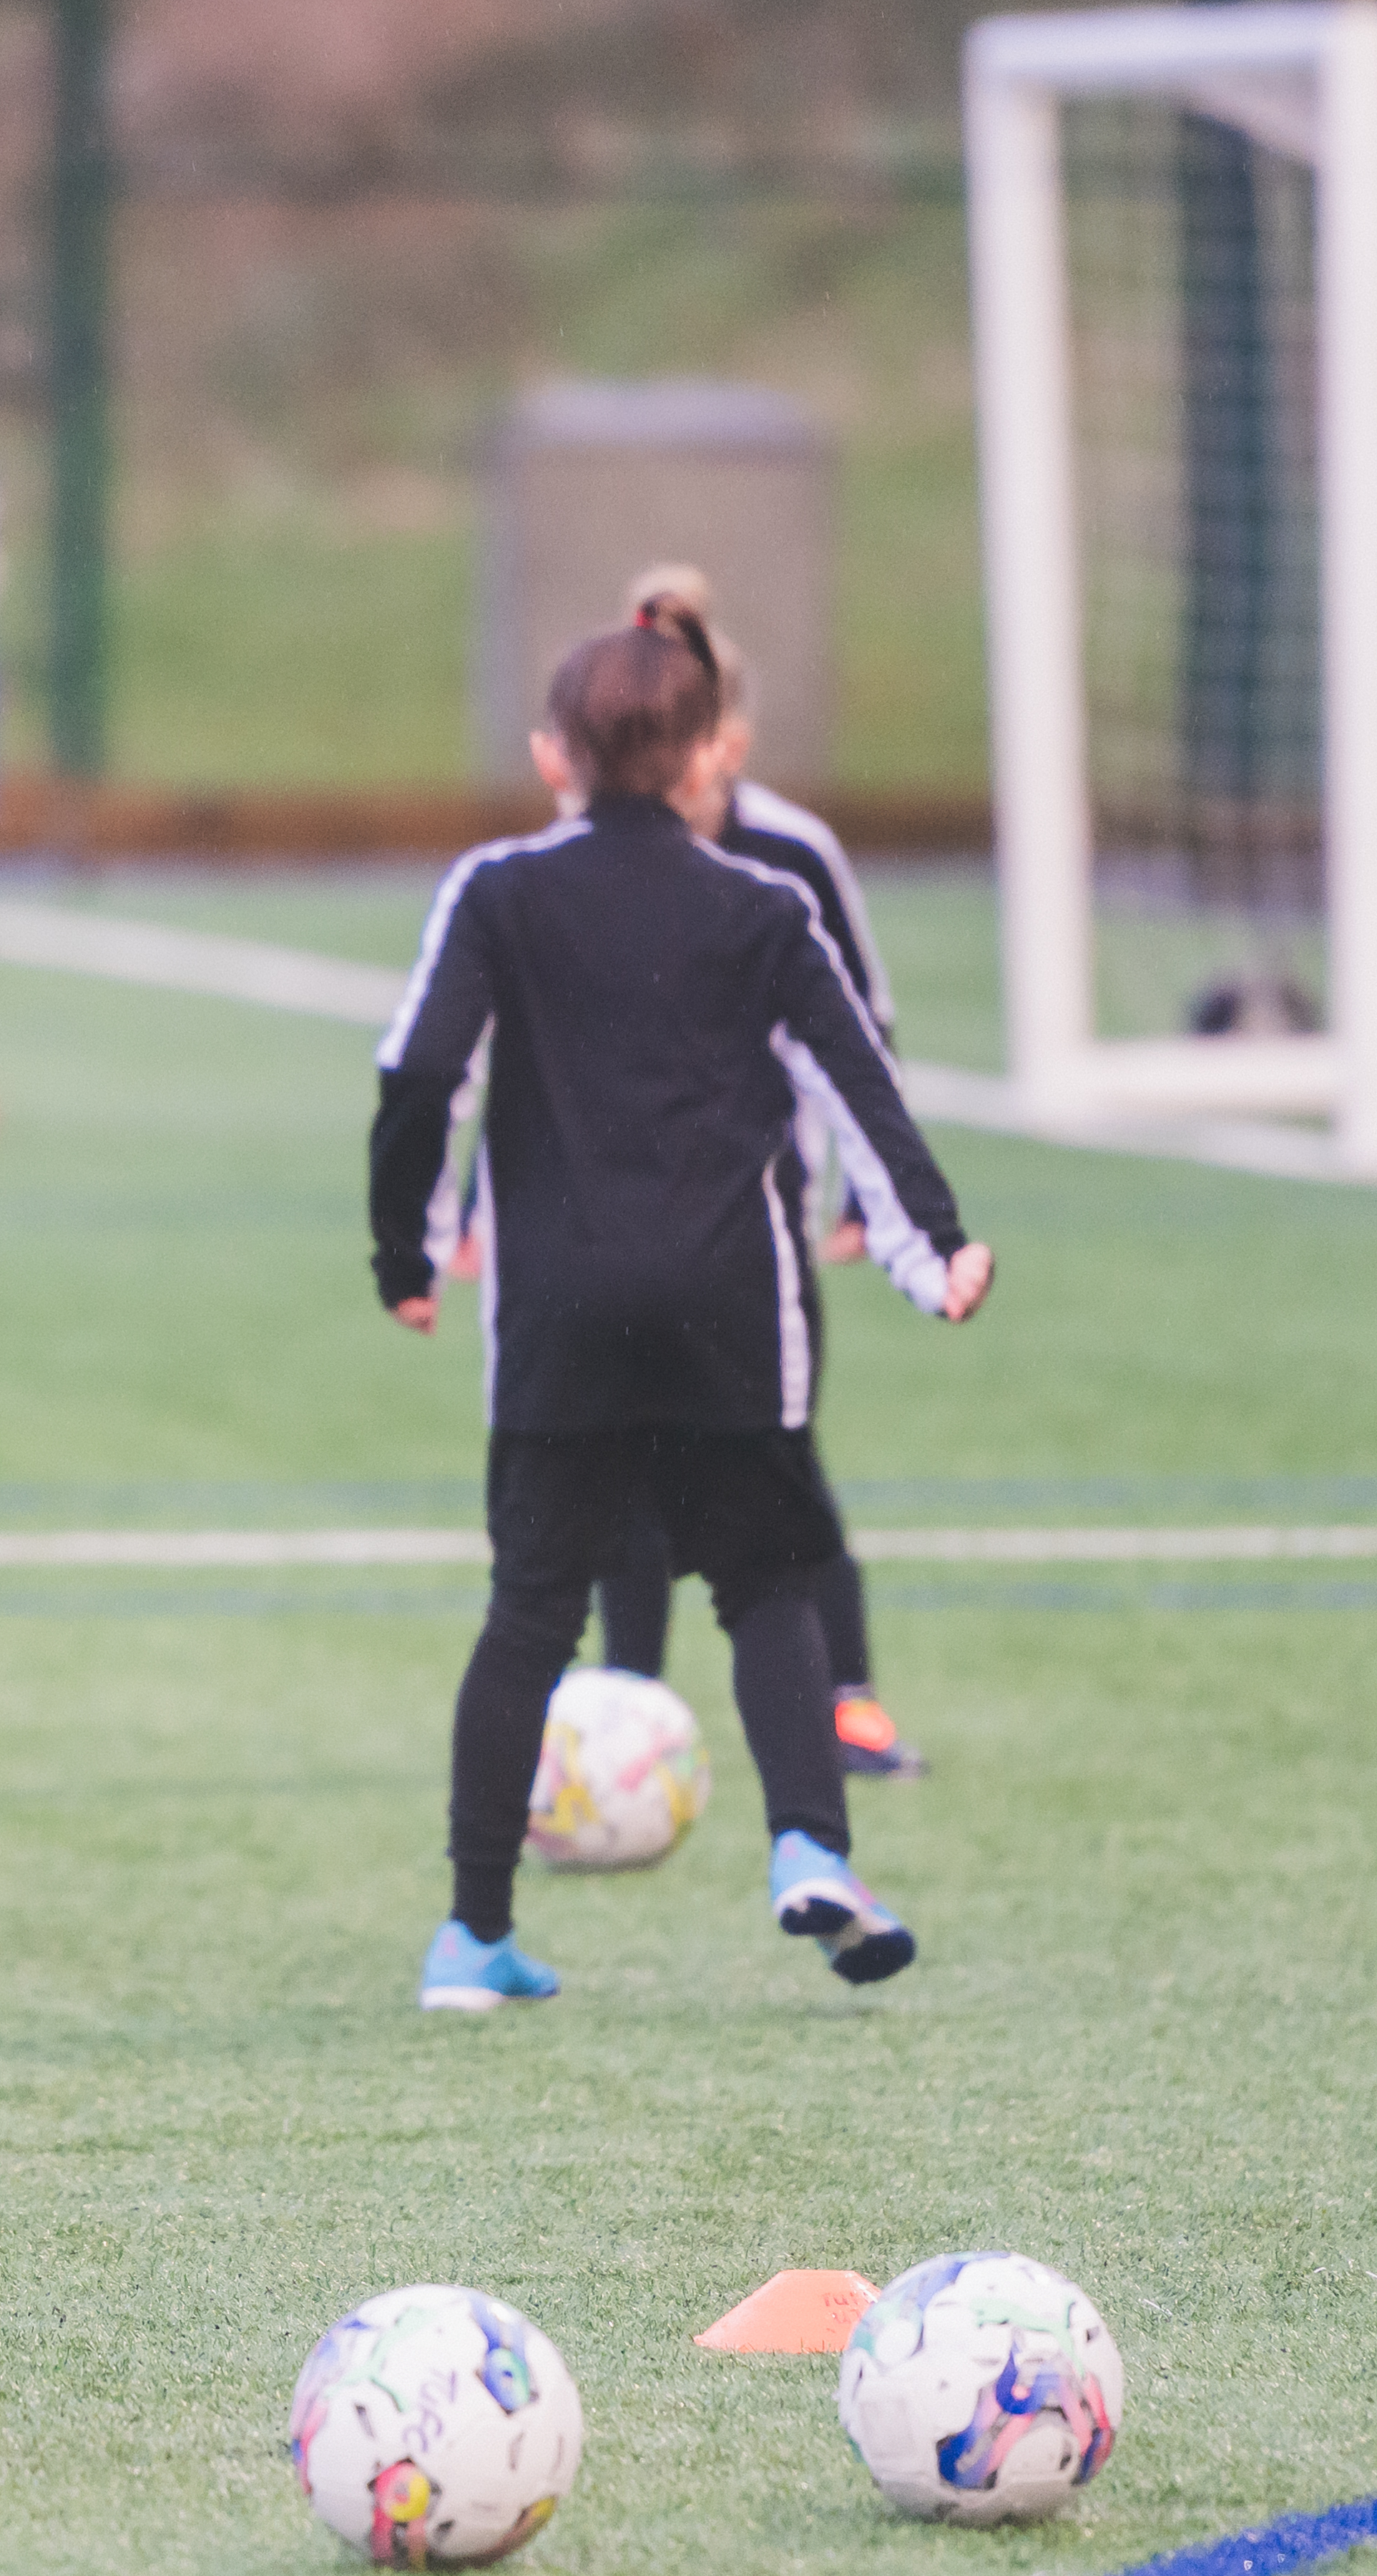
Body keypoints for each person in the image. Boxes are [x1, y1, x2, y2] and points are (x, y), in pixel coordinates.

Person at [369, 605, 994, 2013]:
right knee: (767, 1585)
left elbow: (420, 1075)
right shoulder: (765, 907)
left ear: (553, 756)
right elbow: (860, 1083)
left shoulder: (496, 891)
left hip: (559, 1314)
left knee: (527, 1614)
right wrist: (932, 1246)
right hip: (730, 1299)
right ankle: (809, 1850)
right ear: (706, 757)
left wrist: (402, 1253)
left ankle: (473, 1935)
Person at [579, 565, 927, 1782]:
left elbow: (859, 1024)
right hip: (608, 1210)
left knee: (773, 1454)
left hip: (751, 1209)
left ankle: (846, 1702)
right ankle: (622, 1712)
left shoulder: (791, 854)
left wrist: (856, 1190)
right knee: (616, 1458)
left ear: (732, 739)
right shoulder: (577, 856)